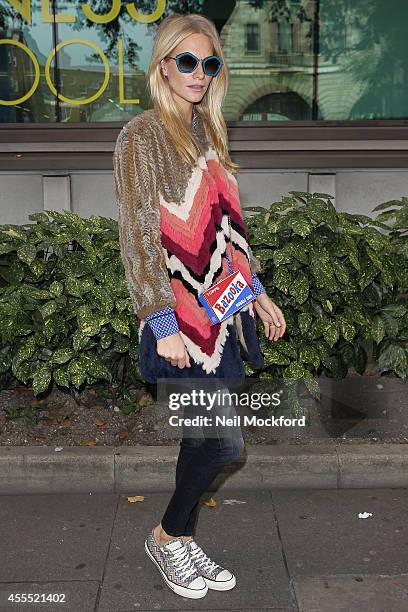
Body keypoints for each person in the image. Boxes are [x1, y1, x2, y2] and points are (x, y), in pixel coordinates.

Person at [113, 12, 286, 600]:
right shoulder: (142, 137)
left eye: (208, 62)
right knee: (223, 443)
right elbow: (139, 236)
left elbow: (226, 229)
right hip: (180, 324)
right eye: (186, 60)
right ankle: (166, 536)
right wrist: (160, 321)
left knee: (205, 439)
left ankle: (178, 537)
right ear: (163, 65)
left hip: (222, 316)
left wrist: (254, 291)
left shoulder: (209, 134)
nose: (199, 72)